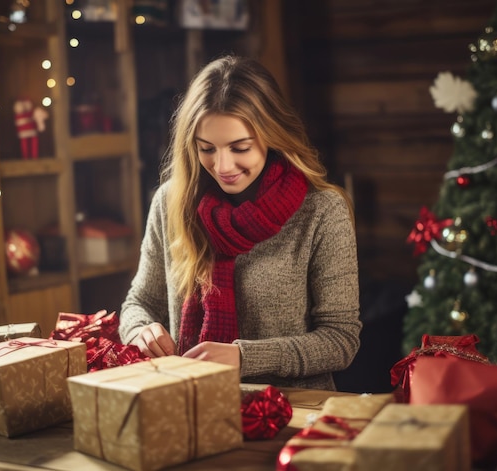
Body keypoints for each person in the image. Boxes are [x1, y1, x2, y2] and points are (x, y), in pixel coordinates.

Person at [120, 55, 361, 390]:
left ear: (271, 136)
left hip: (295, 414)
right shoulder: (170, 203)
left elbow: (340, 340)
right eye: (207, 149)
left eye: (240, 147)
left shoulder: (321, 210)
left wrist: (244, 358)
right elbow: (139, 303)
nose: (222, 166)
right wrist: (140, 330)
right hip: (188, 406)